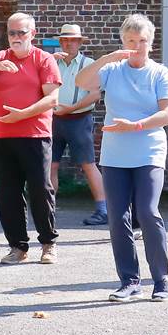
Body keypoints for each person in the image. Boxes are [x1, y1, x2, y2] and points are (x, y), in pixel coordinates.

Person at [75, 13, 168, 302]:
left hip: (149, 150)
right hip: (115, 155)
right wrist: (107, 58)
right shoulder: (112, 69)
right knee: (118, 217)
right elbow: (81, 81)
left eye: (142, 41)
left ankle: (162, 279)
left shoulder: (160, 73)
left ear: (151, 43)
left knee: (147, 211)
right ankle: (130, 281)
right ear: (123, 42)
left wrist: (136, 125)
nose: (136, 46)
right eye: (131, 41)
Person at [0, 12, 61, 265]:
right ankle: (18, 247)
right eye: (12, 32)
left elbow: (52, 99)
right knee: (9, 193)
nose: (16, 37)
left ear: (33, 34)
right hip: (3, 135)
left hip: (35, 134)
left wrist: (23, 114)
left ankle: (48, 243)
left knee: (40, 189)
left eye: (22, 32)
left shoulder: (43, 59)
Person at [49, 23, 108, 226]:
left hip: (78, 119)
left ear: (80, 42)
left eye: (73, 40)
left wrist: (71, 108)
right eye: (65, 40)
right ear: (60, 42)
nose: (69, 44)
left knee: (88, 164)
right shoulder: (51, 62)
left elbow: (95, 95)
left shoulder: (88, 64)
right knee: (50, 164)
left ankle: (103, 210)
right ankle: (48, 208)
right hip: (54, 120)